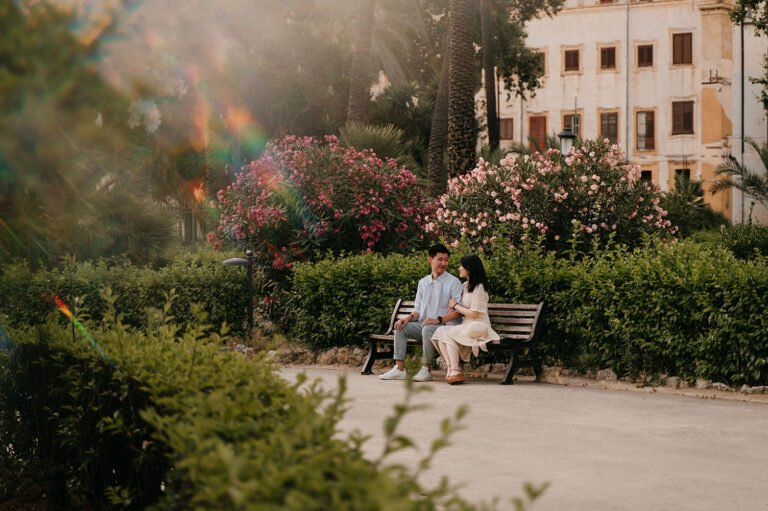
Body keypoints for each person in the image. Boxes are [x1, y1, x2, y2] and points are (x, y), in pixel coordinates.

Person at [379, 243, 464, 382]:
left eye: (446, 260)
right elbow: (418, 309)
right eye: (440, 259)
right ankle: (399, 369)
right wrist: (407, 318)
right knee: (401, 327)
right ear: (430, 260)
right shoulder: (423, 283)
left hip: (445, 326)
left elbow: (458, 312)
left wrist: (438, 319)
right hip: (424, 324)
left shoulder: (454, 282)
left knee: (428, 328)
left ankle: (426, 369)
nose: (444, 263)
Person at [431, 254, 499, 385]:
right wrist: (454, 308)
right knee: (441, 332)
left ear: (470, 268)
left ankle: (455, 370)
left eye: (462, 266)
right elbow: (460, 307)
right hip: (466, 324)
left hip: (478, 325)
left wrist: (456, 306)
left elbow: (474, 314)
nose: (459, 268)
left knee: (450, 333)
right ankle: (451, 369)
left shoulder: (479, 287)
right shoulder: (465, 285)